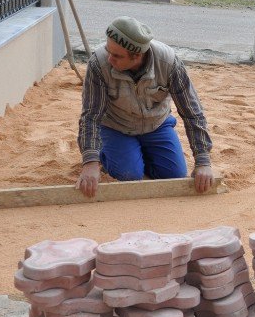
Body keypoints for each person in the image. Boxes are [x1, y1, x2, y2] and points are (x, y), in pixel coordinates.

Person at [76, 16, 214, 197]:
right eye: (108, 50)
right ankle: (108, 152)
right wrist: (90, 162)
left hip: (156, 125)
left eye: (117, 56)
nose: (109, 59)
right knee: (130, 175)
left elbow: (192, 112)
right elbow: (91, 115)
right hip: (116, 127)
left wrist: (203, 160)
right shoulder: (98, 64)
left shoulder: (169, 62)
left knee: (174, 175)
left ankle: (136, 153)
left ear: (137, 56)